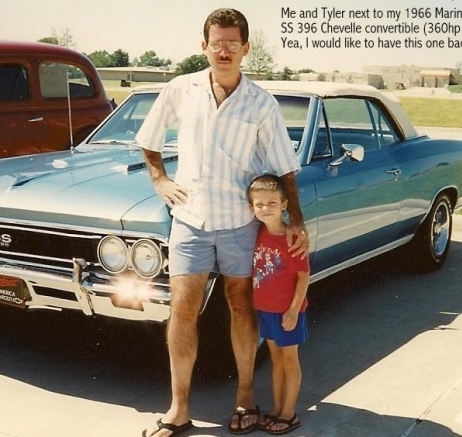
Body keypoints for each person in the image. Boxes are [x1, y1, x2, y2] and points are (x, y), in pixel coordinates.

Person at [136, 7, 310, 437]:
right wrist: (160, 180)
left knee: (241, 305)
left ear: (246, 48)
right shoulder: (181, 89)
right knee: (183, 308)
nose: (225, 50)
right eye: (218, 42)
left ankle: (246, 397)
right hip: (190, 220)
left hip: (238, 222)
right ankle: (178, 408)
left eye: (233, 43)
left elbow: (284, 168)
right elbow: (148, 139)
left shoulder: (261, 103)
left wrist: (296, 222)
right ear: (204, 46)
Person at [248, 174, 309, 435]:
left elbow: (303, 276)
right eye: (259, 204)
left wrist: (293, 310)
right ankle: (276, 408)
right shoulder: (259, 232)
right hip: (266, 310)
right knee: (275, 360)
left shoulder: (291, 239)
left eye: (272, 203)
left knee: (289, 361)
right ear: (252, 208)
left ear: (284, 204)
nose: (265, 209)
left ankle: (289, 412)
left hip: (287, 312)